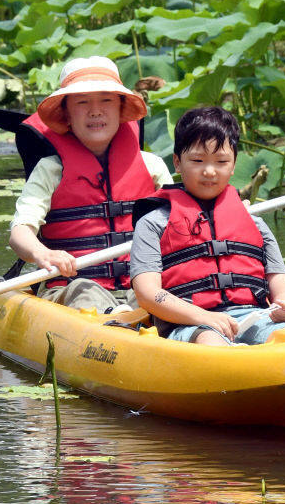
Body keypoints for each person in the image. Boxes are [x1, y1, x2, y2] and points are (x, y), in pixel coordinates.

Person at [9, 56, 172, 312]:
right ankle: (114, 325)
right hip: (72, 289)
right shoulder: (50, 170)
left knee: (161, 294)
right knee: (86, 291)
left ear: (121, 109)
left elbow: (179, 225)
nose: (95, 111)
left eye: (106, 100)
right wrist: (42, 254)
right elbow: (20, 233)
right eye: (82, 102)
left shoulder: (152, 166)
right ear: (66, 115)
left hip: (141, 285)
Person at [131, 105, 285, 346]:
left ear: (233, 165)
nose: (209, 171)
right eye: (198, 160)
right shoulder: (152, 224)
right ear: (178, 163)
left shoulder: (257, 225)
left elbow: (282, 288)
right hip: (189, 323)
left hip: (254, 316)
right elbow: (147, 294)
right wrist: (204, 316)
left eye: (221, 161)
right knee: (211, 340)